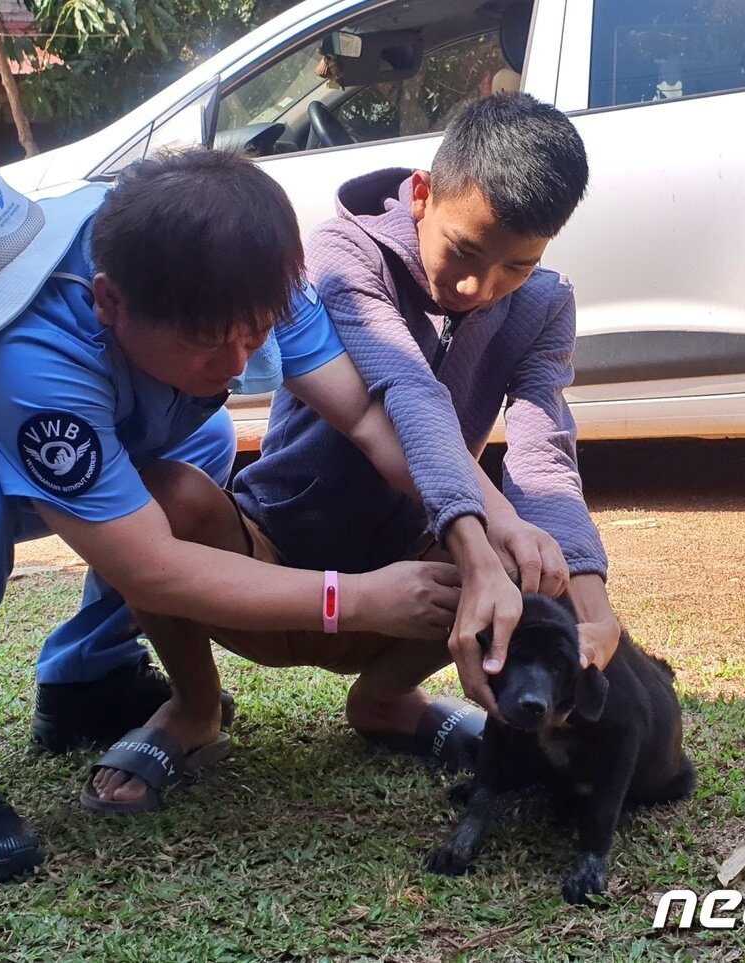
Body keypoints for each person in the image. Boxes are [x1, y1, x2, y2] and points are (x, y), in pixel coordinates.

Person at [0, 150, 466, 885]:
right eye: (208, 341)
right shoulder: (36, 353)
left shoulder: (232, 261)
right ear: (108, 301)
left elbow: (367, 419)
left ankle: (87, 679)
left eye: (255, 334)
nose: (236, 361)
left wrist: (481, 524)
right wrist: (355, 598)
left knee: (198, 435)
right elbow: (152, 565)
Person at [85, 94, 622, 813]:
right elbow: (406, 391)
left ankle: (386, 699)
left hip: (411, 587)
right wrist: (477, 541)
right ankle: (193, 706)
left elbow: (542, 452)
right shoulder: (343, 254)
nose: (479, 288)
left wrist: (592, 607)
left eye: (517, 267)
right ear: (423, 195)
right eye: (464, 252)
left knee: (537, 558)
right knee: (168, 496)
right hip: (270, 566)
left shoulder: (546, 307)